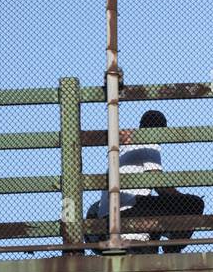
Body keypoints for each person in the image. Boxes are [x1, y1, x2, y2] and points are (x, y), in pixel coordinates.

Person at [86, 108, 205, 253]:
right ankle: (172, 248)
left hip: (109, 213)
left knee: (156, 207)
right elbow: (160, 186)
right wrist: (182, 198)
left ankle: (162, 242)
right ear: (162, 130)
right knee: (194, 204)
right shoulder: (149, 143)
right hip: (130, 208)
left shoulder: (125, 147)